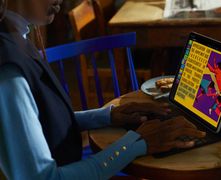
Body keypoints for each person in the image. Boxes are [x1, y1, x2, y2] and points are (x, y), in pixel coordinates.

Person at [0, 0, 206, 179]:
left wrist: (106, 116)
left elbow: (45, 122)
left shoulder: (16, 38)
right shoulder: (9, 73)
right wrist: (137, 142)